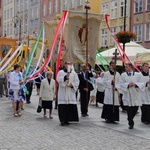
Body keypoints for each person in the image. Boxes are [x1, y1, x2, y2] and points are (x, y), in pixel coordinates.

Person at [120, 63, 145, 129]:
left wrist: (135, 84)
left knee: (135, 109)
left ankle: (130, 118)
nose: (125, 68)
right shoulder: (123, 75)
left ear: (131, 67)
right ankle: (131, 123)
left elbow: (142, 83)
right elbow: (121, 84)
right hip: (127, 94)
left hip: (135, 94)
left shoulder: (138, 75)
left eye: (127, 67)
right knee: (129, 109)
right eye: (125, 67)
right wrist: (127, 85)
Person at [57, 61, 79, 126]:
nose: (68, 65)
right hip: (63, 92)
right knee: (63, 106)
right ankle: (62, 120)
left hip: (70, 92)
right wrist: (65, 77)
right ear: (65, 64)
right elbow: (58, 80)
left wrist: (72, 85)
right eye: (67, 64)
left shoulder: (74, 74)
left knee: (68, 106)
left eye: (70, 64)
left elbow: (77, 82)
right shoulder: (61, 72)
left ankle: (67, 119)